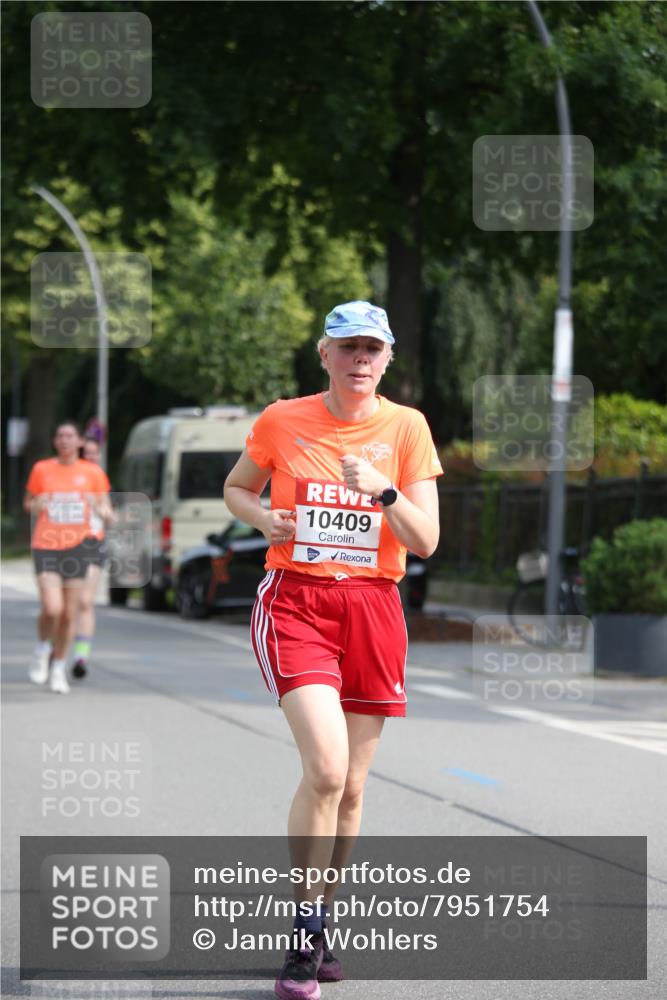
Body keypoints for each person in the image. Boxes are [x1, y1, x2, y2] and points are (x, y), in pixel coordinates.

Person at [224, 300, 443, 1000]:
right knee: (324, 769)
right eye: (348, 347)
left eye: (372, 349)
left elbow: (425, 540)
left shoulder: (406, 427)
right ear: (324, 353)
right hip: (297, 602)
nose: (360, 360)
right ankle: (303, 928)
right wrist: (263, 516)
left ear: (387, 358)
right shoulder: (281, 419)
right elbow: (237, 488)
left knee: (350, 787)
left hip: (373, 609)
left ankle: (321, 917)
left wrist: (383, 491)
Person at [24, 422, 112, 695]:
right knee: (52, 608)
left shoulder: (92, 473)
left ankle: (59, 667)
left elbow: (107, 511)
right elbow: (28, 503)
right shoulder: (42, 469)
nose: (64, 440)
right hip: (47, 544)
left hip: (79, 547)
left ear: (79, 442)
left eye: (69, 436)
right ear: (55, 441)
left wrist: (100, 509)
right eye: (60, 436)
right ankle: (42, 648)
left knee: (68, 613)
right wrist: (36, 504)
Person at [71, 434, 114, 680]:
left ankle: (81, 657)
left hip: (92, 544)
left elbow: (110, 517)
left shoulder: (98, 477)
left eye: (95, 453)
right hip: (64, 545)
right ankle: (55, 648)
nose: (92, 457)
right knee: (65, 606)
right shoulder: (66, 475)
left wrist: (99, 508)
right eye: (87, 453)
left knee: (85, 602)